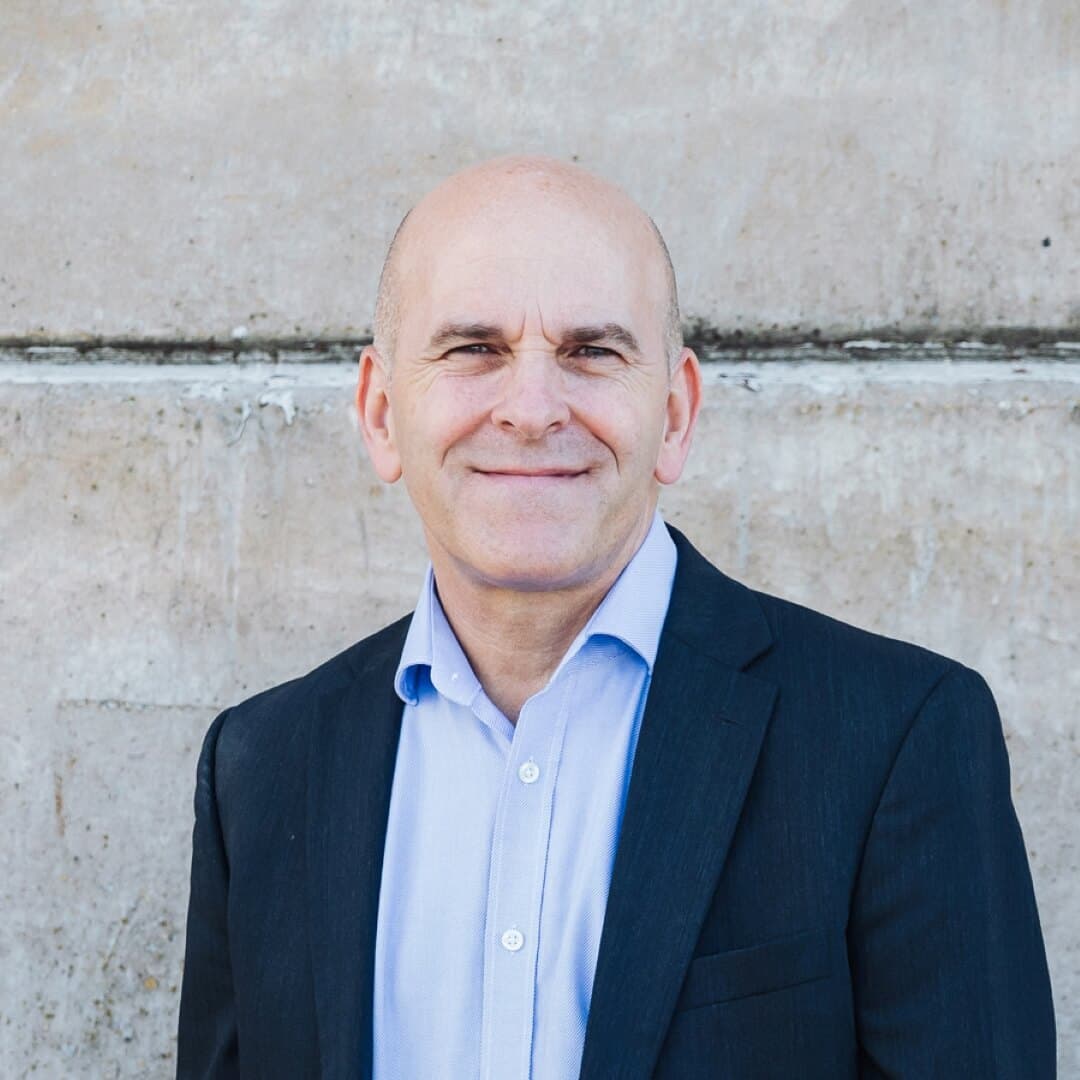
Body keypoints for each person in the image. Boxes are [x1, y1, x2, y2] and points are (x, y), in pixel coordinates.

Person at [177, 155, 1055, 1079]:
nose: (529, 409)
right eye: (473, 348)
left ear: (674, 414)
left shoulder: (897, 738)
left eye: (591, 351)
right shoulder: (261, 769)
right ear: (382, 412)